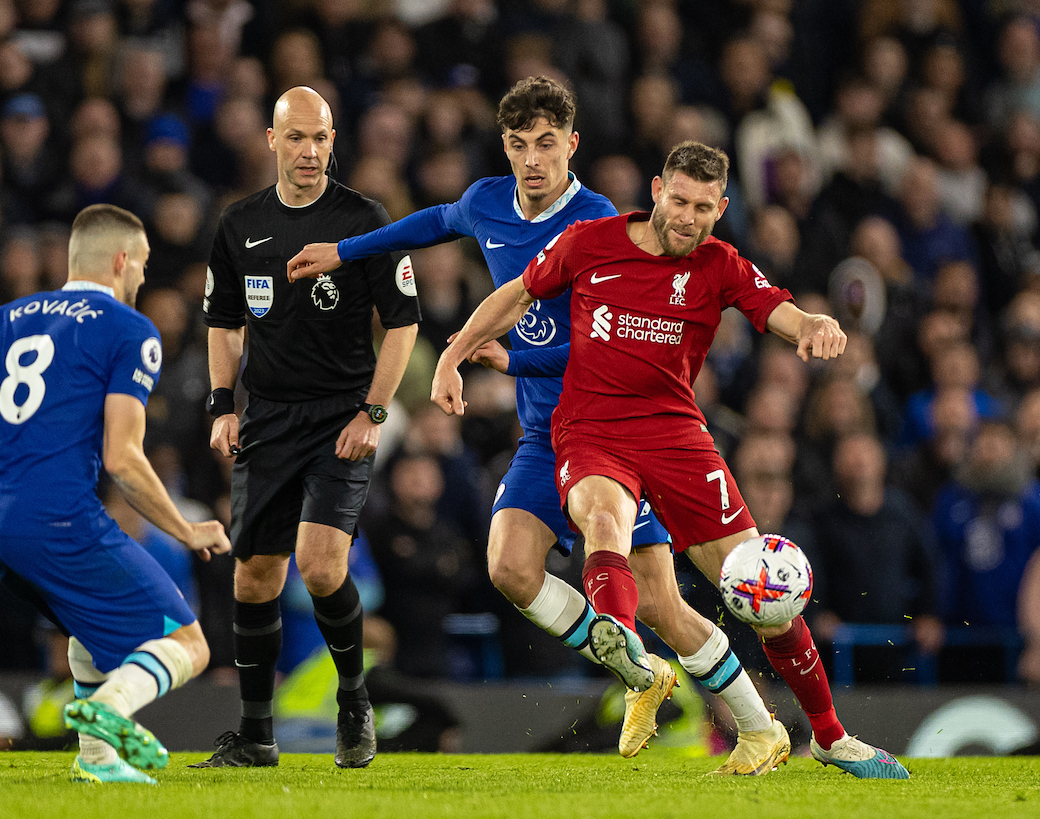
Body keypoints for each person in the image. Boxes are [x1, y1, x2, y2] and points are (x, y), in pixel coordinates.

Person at [288, 77, 779, 774]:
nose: (533, 160)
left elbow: (604, 345)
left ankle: (761, 725)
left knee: (668, 606)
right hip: (545, 438)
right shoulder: (489, 200)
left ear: (571, 146)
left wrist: (511, 357)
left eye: (547, 144)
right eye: (519, 145)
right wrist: (346, 250)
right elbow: (432, 222)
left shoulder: (603, 224)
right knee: (510, 565)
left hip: (612, 431)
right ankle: (643, 675)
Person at [431, 140, 911, 780]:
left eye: (703, 208)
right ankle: (630, 661)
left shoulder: (720, 264)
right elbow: (518, 294)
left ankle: (827, 735)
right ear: (657, 190)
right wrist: (454, 353)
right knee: (603, 518)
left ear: (722, 209)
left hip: (677, 435)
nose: (687, 218)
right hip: (591, 428)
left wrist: (813, 325)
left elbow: (776, 310)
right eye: (679, 201)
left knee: (760, 589)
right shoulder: (590, 242)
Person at [0, 204, 231, 785]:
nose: (144, 279)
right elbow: (122, 456)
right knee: (188, 643)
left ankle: (95, 763)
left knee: (85, 628)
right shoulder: (132, 331)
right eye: (143, 265)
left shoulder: (5, 317)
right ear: (122, 260)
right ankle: (109, 712)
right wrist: (186, 527)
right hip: (56, 515)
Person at [193, 86, 420, 770]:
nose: (309, 151)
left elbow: (404, 324)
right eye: (296, 137)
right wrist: (221, 403)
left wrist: (372, 412)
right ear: (271, 141)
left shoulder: (364, 220)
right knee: (255, 574)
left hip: (339, 416)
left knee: (321, 567)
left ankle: (354, 699)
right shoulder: (239, 224)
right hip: (267, 418)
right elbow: (223, 324)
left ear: (333, 139)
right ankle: (257, 735)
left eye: (320, 137)